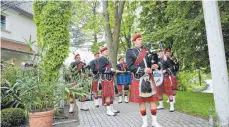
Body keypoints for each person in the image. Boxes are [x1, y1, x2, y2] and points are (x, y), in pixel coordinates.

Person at [126, 33, 162, 127]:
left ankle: (154, 122)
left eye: (141, 39)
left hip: (149, 78)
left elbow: (155, 61)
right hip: (138, 78)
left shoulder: (147, 50)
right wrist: (143, 70)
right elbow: (130, 66)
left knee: (152, 100)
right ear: (134, 42)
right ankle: (144, 122)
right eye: (138, 39)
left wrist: (156, 66)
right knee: (141, 101)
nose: (141, 40)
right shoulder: (130, 52)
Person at [99, 46, 120, 116]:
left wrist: (114, 71)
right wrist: (110, 70)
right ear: (102, 52)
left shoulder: (106, 59)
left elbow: (108, 69)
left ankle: (111, 108)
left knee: (111, 94)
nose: (107, 52)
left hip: (110, 78)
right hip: (105, 79)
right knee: (108, 94)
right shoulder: (101, 59)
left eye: (107, 51)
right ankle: (108, 111)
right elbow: (101, 69)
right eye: (106, 51)